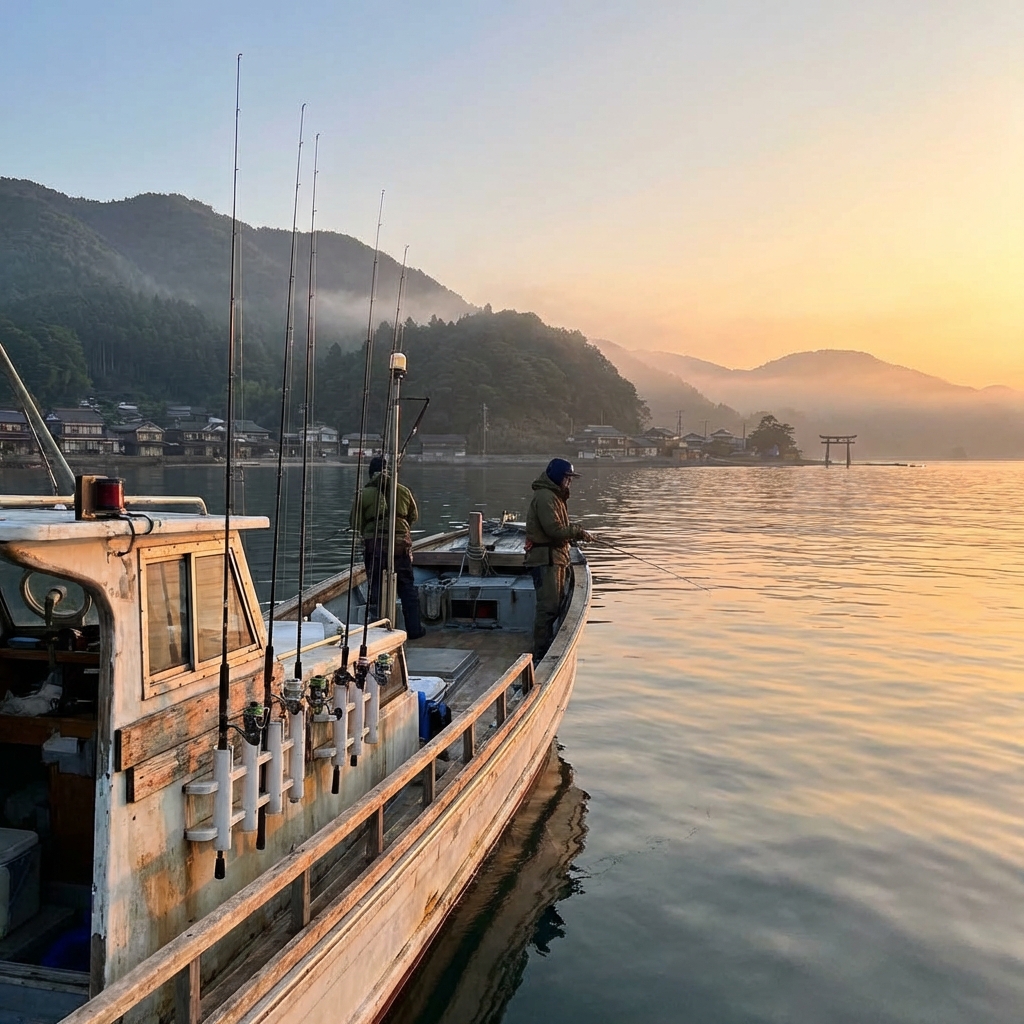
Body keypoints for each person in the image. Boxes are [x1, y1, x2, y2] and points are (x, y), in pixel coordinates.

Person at [525, 458, 594, 661]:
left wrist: (574, 532)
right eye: (567, 477)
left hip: (555, 558)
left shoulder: (554, 496)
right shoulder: (546, 497)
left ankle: (545, 649)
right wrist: (578, 532)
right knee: (547, 608)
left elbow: (559, 528)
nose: (570, 482)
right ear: (557, 476)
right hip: (546, 560)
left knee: (554, 605)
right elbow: (554, 530)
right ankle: (540, 654)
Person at [350, 455, 425, 639]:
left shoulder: (364, 494)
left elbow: (354, 522)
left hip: (374, 546)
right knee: (407, 587)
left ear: (370, 474)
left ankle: (379, 633)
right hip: (400, 545)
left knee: (376, 587)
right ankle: (414, 630)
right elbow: (413, 516)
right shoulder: (404, 491)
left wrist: (368, 530)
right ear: (388, 470)